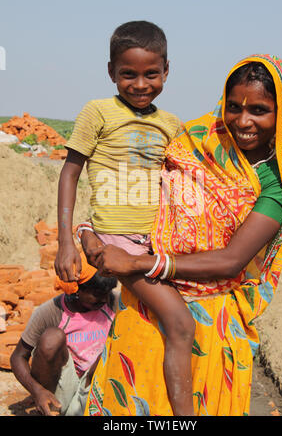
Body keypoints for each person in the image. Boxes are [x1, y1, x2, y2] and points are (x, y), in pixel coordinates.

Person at [83, 54, 282, 416]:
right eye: (233, 107)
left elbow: (231, 260)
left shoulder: (276, 184)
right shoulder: (194, 143)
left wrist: (137, 261)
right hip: (150, 304)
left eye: (259, 110)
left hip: (210, 323)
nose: (243, 121)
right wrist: (90, 230)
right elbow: (132, 188)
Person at [54, 21, 197, 416]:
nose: (139, 84)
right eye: (127, 74)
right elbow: (70, 172)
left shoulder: (170, 124)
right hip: (115, 241)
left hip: (152, 242)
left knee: (150, 327)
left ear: (166, 70)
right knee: (181, 324)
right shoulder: (98, 112)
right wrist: (68, 239)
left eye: (151, 74)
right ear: (111, 72)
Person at [10, 251, 118, 416]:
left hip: (98, 382)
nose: (104, 299)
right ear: (76, 289)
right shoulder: (51, 311)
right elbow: (18, 357)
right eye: (97, 294)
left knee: (117, 342)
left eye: (107, 293)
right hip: (62, 386)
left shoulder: (113, 303)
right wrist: (37, 391)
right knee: (52, 338)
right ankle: (50, 408)